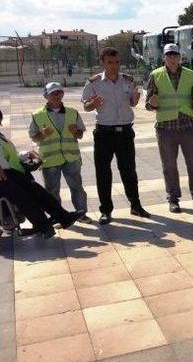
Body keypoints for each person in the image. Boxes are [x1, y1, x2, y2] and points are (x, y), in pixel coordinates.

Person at [82, 47, 150, 225]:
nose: (114, 66)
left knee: (129, 171)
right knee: (103, 173)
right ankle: (106, 210)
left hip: (125, 132)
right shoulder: (93, 83)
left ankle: (136, 205)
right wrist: (92, 103)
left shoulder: (128, 80)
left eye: (117, 62)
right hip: (104, 133)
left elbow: (132, 103)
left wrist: (135, 100)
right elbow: (86, 106)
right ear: (102, 63)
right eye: (110, 62)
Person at [0, 109, 82, 239]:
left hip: (10, 173)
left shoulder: (1, 137)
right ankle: (42, 226)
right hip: (3, 177)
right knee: (23, 196)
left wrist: (27, 154)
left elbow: (9, 157)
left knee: (36, 189)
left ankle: (63, 217)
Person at [146, 43, 193, 214]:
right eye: (169, 55)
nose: (172, 58)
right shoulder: (155, 75)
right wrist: (152, 104)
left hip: (187, 126)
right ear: (164, 57)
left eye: (175, 55)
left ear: (180, 57)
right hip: (165, 128)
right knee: (169, 166)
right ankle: (173, 199)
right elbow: (148, 103)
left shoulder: (190, 74)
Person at [29, 82, 91, 223]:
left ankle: (81, 213)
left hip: (71, 157)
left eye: (59, 92)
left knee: (77, 187)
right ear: (46, 96)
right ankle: (57, 216)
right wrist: (43, 135)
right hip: (50, 159)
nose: (57, 95)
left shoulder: (72, 112)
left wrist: (76, 132)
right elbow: (33, 136)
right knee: (52, 190)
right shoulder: (37, 115)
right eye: (53, 93)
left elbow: (80, 134)